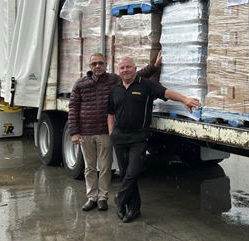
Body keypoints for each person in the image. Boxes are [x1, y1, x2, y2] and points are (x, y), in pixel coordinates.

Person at [108, 57, 201, 222]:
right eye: (121, 68)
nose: (125, 70)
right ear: (118, 70)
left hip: (138, 137)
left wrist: (185, 99)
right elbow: (110, 113)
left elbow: (166, 92)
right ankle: (132, 209)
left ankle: (119, 199)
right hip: (120, 137)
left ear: (135, 68)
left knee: (133, 172)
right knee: (125, 174)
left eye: (128, 67)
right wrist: (111, 133)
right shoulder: (115, 89)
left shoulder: (146, 85)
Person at [68, 52, 161, 212]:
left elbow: (133, 75)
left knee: (105, 167)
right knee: (89, 167)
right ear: (89, 67)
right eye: (94, 64)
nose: (98, 66)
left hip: (104, 131)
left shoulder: (113, 80)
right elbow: (73, 108)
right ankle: (92, 197)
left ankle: (103, 197)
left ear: (106, 65)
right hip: (86, 132)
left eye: (101, 63)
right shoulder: (80, 84)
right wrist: (74, 132)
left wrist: (154, 66)